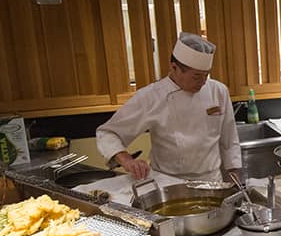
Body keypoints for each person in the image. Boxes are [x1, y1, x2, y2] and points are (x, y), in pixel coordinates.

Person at [96, 33, 241, 183]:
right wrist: (126, 160)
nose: (203, 82)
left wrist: (234, 177)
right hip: (168, 182)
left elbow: (229, 139)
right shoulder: (151, 96)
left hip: (211, 180)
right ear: (174, 67)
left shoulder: (218, 91)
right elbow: (108, 133)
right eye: (197, 76)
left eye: (206, 75)